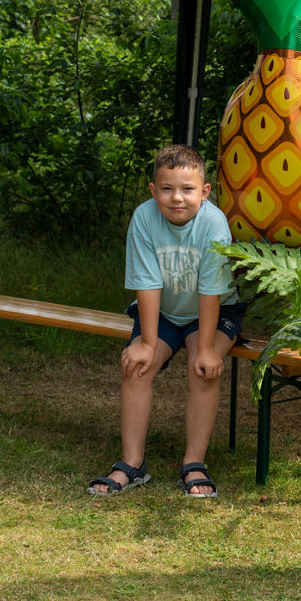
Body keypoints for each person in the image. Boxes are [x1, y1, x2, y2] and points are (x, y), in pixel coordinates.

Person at [89, 144, 243, 499]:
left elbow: (211, 291)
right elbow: (147, 283)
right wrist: (144, 343)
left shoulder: (213, 223)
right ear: (153, 190)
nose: (177, 198)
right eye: (167, 189)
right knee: (137, 365)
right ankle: (132, 463)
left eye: (187, 189)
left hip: (215, 310)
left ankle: (194, 463)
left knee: (201, 367)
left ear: (204, 192)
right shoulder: (145, 218)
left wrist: (205, 349)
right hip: (162, 311)